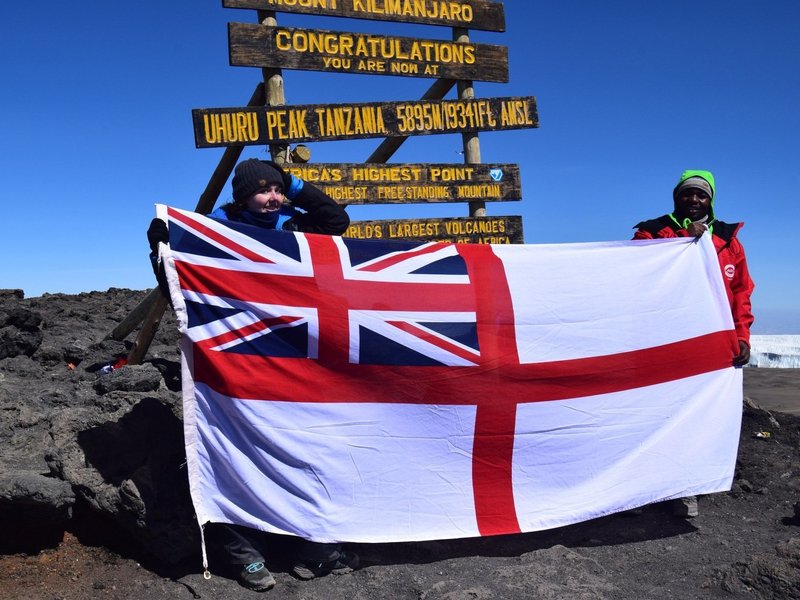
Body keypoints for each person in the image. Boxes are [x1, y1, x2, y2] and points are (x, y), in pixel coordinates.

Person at [147, 158, 357, 592]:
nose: (273, 198)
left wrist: (295, 184)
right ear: (242, 195)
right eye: (263, 190)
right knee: (231, 453)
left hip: (296, 362)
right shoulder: (215, 236)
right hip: (233, 365)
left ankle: (314, 550)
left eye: (277, 190)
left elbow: (337, 220)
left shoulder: (295, 229)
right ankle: (245, 555)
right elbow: (181, 292)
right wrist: (162, 254)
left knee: (306, 452)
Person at [632, 169, 755, 518]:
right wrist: (683, 241)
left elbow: (740, 293)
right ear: (676, 197)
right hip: (660, 339)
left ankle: (686, 488)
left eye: (701, 194)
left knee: (695, 416)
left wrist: (741, 336)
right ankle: (637, 489)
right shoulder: (653, 231)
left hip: (709, 345)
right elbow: (637, 268)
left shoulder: (728, 240)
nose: (694, 200)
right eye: (688, 193)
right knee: (653, 412)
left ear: (710, 199)